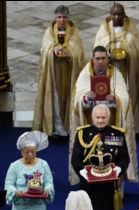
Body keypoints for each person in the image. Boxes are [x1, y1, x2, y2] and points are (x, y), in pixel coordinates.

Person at [69, 48, 137, 182]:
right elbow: (77, 101)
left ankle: (116, 186)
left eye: (103, 58)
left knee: (114, 155)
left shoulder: (116, 75)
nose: (100, 62)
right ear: (93, 59)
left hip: (111, 124)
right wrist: (86, 99)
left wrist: (115, 100)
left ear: (108, 59)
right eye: (97, 59)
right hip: (90, 125)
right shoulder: (84, 75)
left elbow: (125, 99)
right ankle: (88, 180)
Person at [70, 104, 131, 210]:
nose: (100, 120)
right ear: (92, 117)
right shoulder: (82, 134)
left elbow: (124, 159)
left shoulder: (117, 134)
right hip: (89, 185)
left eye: (103, 117)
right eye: (97, 117)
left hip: (109, 186)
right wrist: (83, 172)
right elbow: (76, 159)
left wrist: (117, 170)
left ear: (108, 118)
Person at [93, 3, 139, 135]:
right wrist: (108, 52)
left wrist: (127, 51)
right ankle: (109, 124)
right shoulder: (104, 29)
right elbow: (98, 47)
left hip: (128, 72)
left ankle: (132, 127)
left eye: (119, 14)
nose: (116, 17)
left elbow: (137, 48)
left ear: (124, 15)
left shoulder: (131, 28)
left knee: (127, 97)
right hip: (110, 71)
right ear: (110, 16)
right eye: (114, 14)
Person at [33, 5, 85, 138]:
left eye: (64, 17)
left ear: (68, 18)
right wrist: (52, 51)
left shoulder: (74, 32)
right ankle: (56, 128)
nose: (61, 20)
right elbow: (44, 49)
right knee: (55, 99)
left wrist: (69, 52)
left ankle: (68, 127)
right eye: (59, 17)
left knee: (68, 97)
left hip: (69, 72)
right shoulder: (49, 32)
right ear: (55, 18)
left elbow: (78, 51)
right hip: (53, 72)